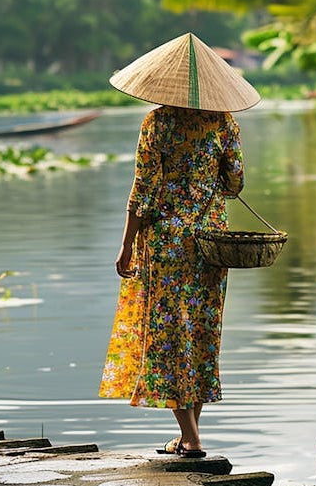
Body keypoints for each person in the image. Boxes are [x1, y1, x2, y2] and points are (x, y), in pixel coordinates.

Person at [99, 32, 260, 458]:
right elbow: (235, 183)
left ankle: (190, 437)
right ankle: (190, 434)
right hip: (210, 243)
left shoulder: (157, 122)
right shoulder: (224, 121)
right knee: (200, 333)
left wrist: (127, 245)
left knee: (169, 336)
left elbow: (143, 191)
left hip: (168, 243)